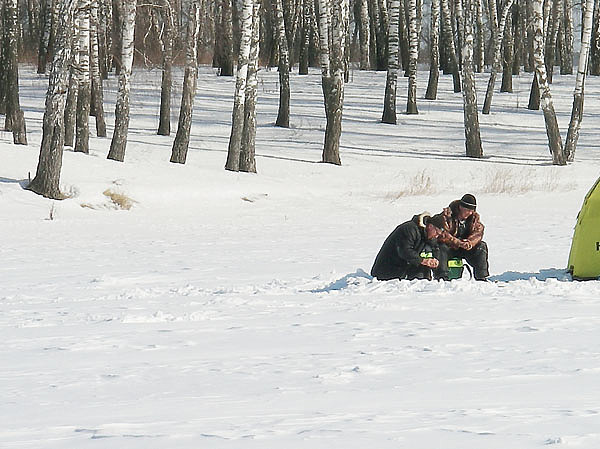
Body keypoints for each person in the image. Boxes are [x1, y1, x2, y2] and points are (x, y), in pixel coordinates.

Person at [371, 213, 447, 281]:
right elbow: (405, 251)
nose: (436, 236)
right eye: (436, 233)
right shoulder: (409, 229)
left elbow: (436, 248)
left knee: (423, 270)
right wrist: (423, 260)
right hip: (386, 270)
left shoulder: (427, 234)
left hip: (403, 266)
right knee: (421, 266)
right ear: (430, 226)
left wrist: (435, 261)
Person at [436, 193, 490, 281]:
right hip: (450, 247)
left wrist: (469, 242)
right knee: (441, 247)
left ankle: (481, 276)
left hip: (464, 248)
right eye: (467, 210)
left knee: (481, 246)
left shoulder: (474, 218)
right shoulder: (446, 216)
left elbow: (478, 232)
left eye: (471, 211)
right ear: (460, 207)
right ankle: (442, 276)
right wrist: (458, 243)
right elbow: (443, 234)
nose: (469, 213)